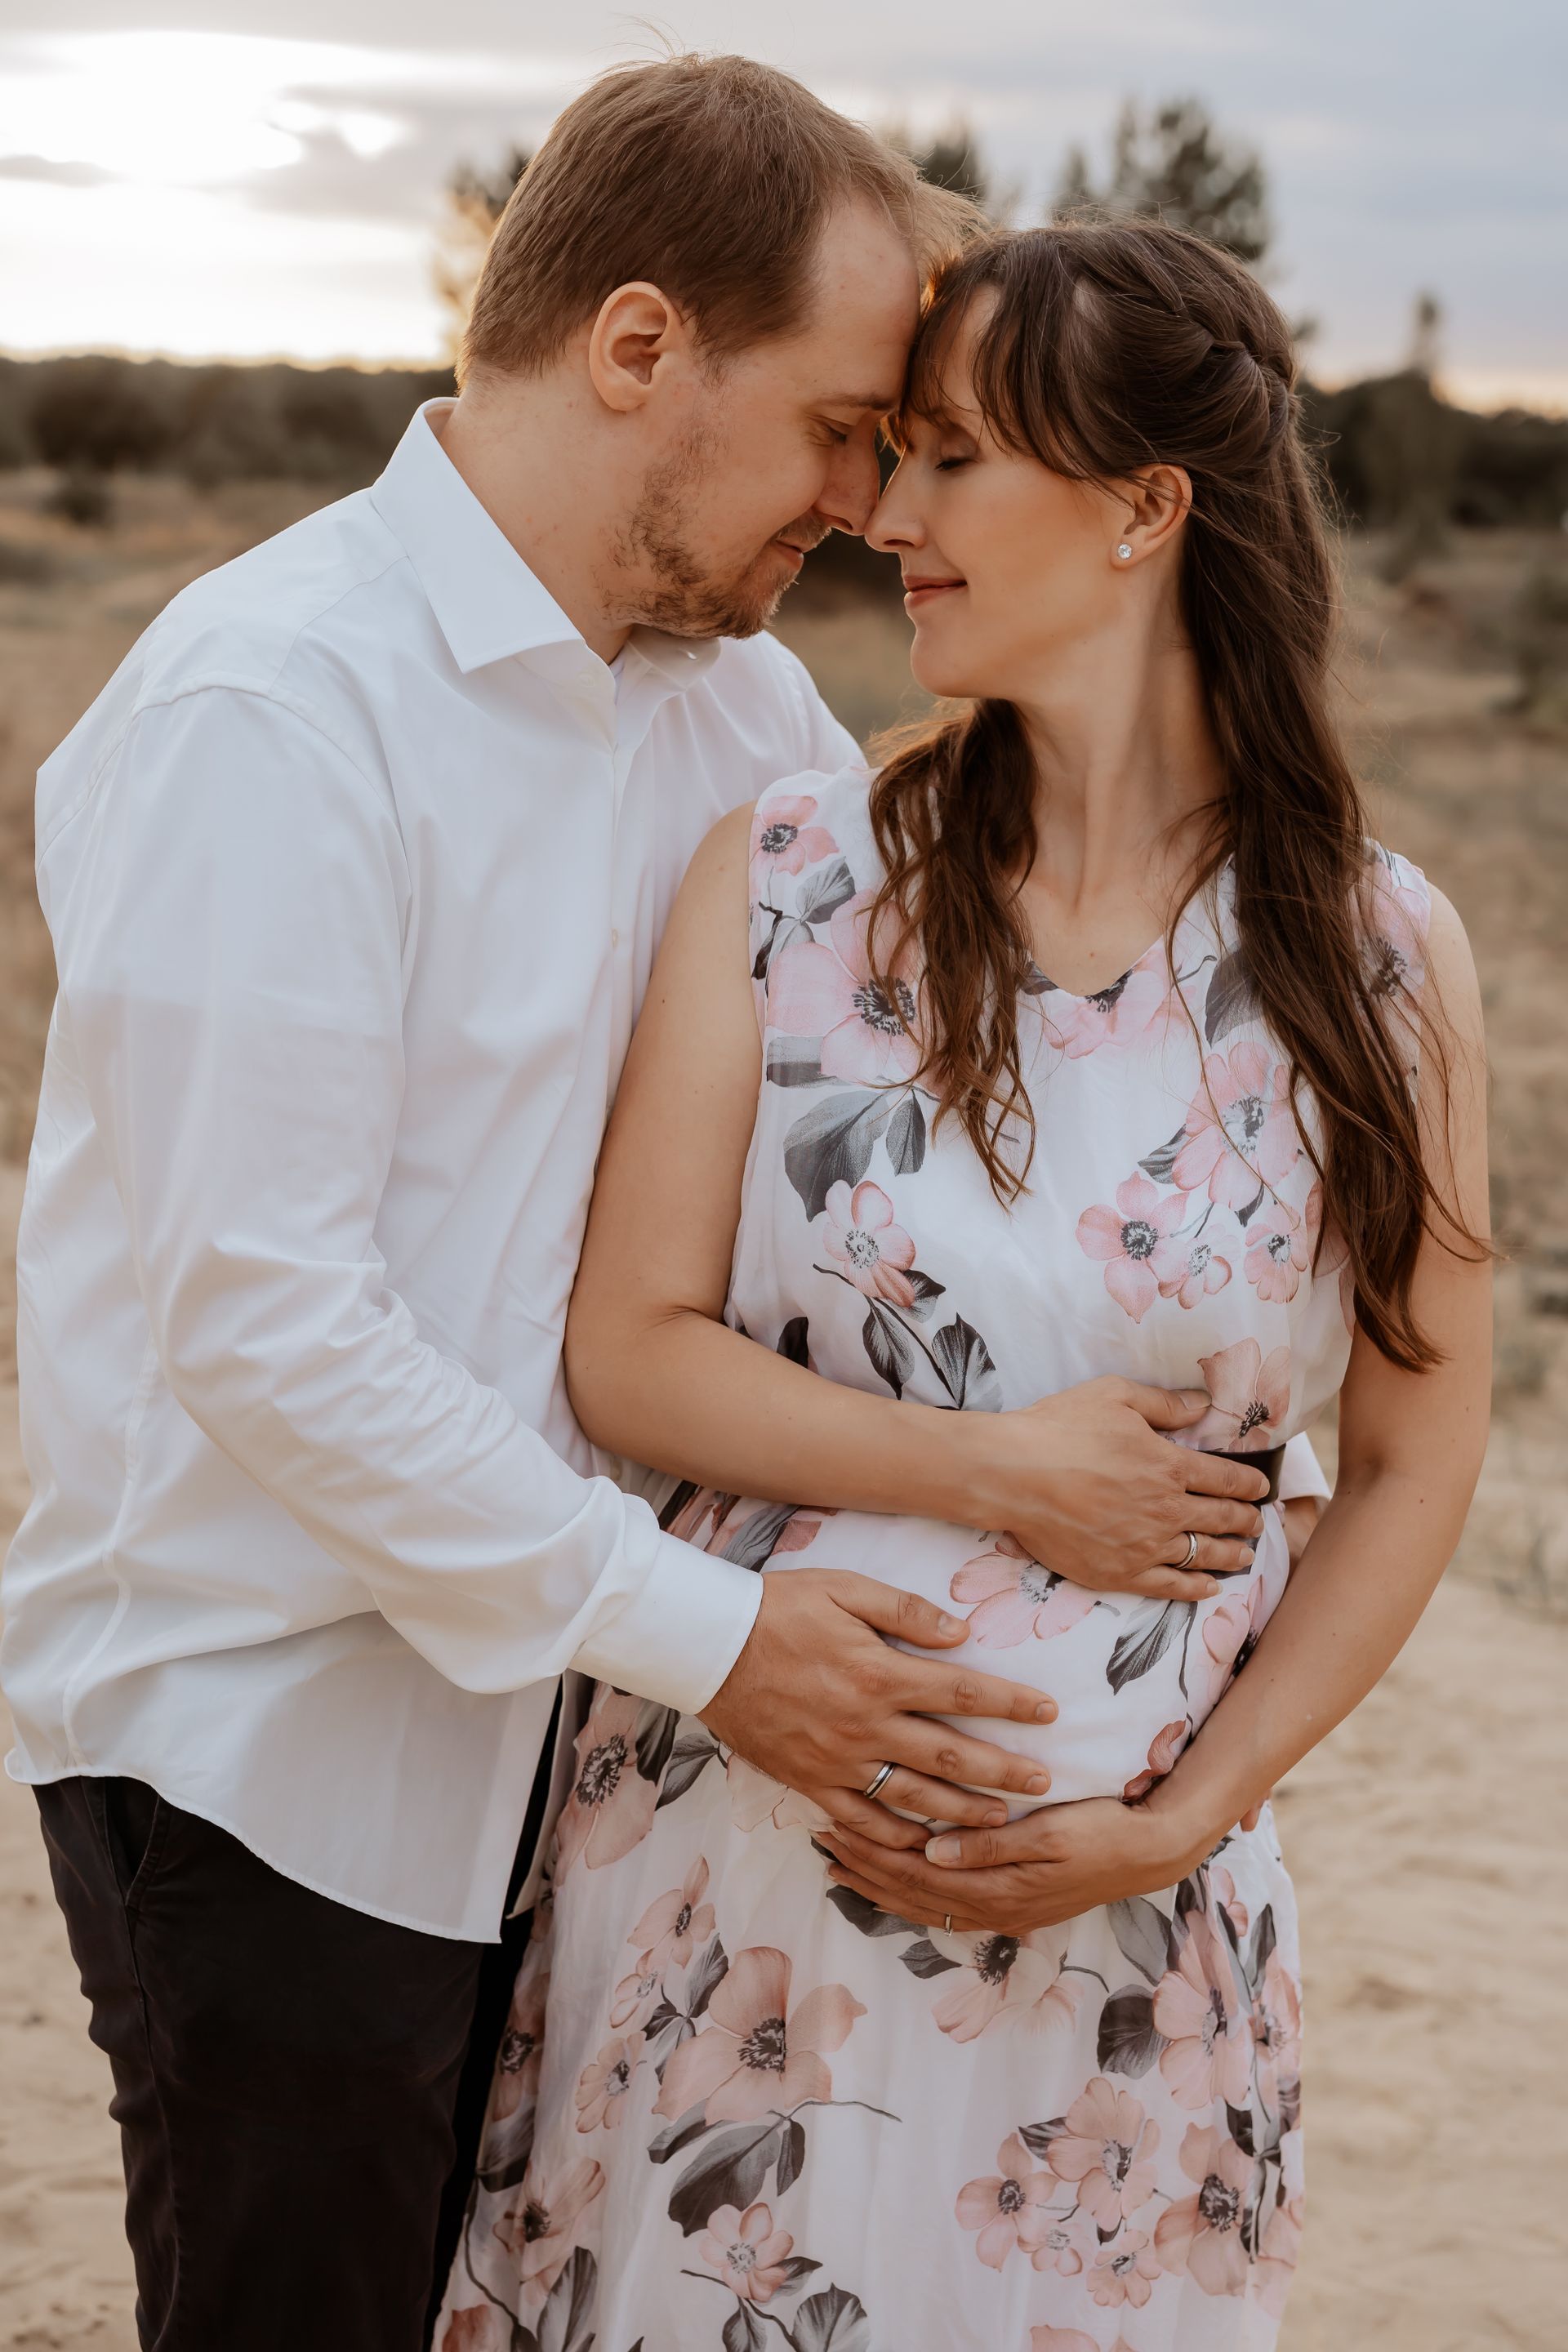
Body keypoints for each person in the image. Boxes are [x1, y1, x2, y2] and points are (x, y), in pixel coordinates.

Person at [0, 61, 1307, 2352]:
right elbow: (271, 1328)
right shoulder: (272, 709)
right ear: (636, 348)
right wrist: (721, 1639)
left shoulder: (752, 733)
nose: (865, 502)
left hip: (611, 1774)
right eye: (838, 427)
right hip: (290, 1761)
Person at [436, 220, 1490, 2351]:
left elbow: (1411, 1454)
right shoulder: (794, 875)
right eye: (890, 452)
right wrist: (1000, 1472)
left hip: (1126, 1974)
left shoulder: (1378, 958)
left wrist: (1181, 1819)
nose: (884, 515)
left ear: (1142, 508)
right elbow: (628, 1352)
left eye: (951, 460)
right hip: (736, 1910)